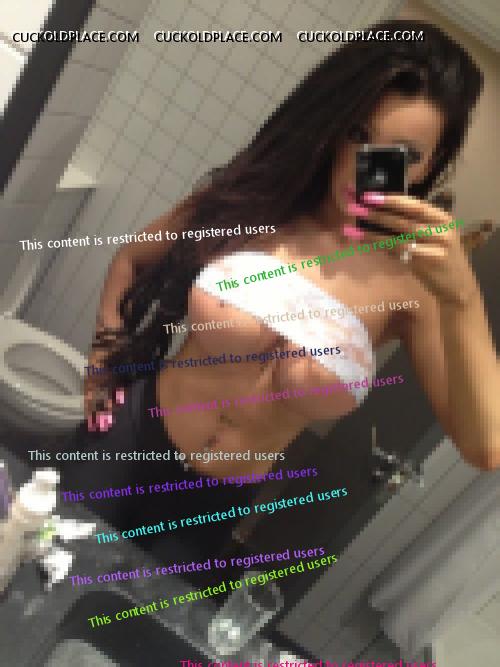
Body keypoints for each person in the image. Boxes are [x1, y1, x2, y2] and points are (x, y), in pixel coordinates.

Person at [84, 18, 500, 488]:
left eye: (405, 154)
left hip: (220, 501)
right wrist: (103, 358)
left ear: (431, 164)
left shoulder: (413, 282)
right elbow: (132, 259)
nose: (367, 167)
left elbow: (485, 445)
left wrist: (463, 295)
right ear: (332, 125)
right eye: (358, 134)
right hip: (126, 442)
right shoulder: (257, 203)